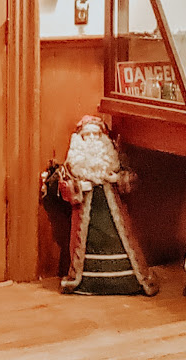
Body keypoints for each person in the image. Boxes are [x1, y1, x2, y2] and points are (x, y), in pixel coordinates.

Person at [44, 115, 158, 296]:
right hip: (86, 218)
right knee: (84, 247)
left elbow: (132, 180)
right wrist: (78, 187)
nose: (92, 139)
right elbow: (62, 187)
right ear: (80, 139)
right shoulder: (73, 166)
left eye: (96, 135)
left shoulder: (114, 160)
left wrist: (117, 178)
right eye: (87, 135)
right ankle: (85, 280)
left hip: (113, 215)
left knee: (122, 242)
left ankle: (127, 279)